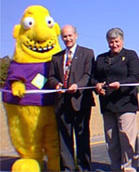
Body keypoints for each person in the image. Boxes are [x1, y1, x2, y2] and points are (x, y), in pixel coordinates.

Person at [91, 28, 139, 172]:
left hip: (126, 104)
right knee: (111, 142)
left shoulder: (130, 56)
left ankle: (129, 168)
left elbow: (134, 77)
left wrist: (121, 84)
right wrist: (97, 84)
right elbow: (93, 77)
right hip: (107, 105)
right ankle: (115, 168)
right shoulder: (101, 58)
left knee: (127, 141)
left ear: (122, 41)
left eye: (116, 41)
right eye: (111, 42)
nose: (114, 45)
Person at [48, 25, 95, 171]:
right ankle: (67, 168)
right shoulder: (56, 57)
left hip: (80, 102)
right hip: (62, 104)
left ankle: (84, 168)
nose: (67, 39)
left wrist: (77, 86)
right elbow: (51, 77)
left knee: (82, 138)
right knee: (64, 139)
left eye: (70, 36)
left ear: (76, 35)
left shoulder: (87, 53)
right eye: (64, 36)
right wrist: (56, 85)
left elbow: (88, 75)